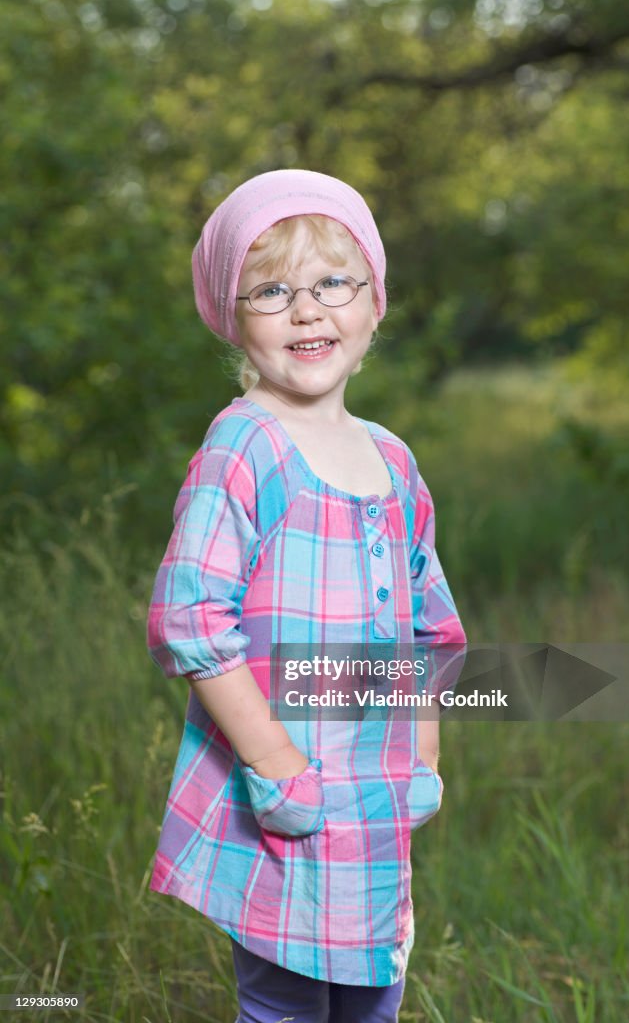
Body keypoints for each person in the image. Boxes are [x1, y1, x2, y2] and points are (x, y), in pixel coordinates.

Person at [146, 168, 467, 1023]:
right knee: (284, 1001)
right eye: (272, 290)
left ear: (374, 304)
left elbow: (431, 626)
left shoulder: (393, 459)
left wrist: (425, 756)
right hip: (282, 787)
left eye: (333, 282)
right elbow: (191, 618)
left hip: (375, 791)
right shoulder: (244, 444)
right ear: (232, 315)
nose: (306, 309)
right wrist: (277, 765)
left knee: (375, 985)